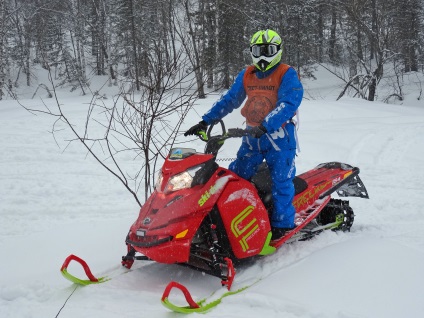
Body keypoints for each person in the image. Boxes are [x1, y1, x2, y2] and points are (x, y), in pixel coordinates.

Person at [185, 29, 303, 240]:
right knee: (238, 175)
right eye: (258, 50)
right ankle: (233, 218)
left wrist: (267, 125)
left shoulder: (286, 73)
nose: (262, 55)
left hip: (279, 138)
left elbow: (289, 102)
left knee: (281, 181)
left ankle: (282, 224)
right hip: (251, 137)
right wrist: (206, 121)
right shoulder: (247, 74)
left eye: (268, 50)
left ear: (277, 50)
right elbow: (230, 99)